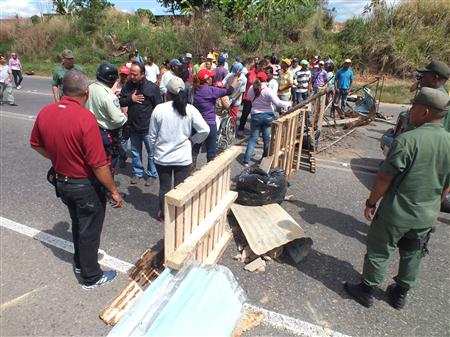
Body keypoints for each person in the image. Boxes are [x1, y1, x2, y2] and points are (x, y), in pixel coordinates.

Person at [344, 87, 450, 310]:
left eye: (414, 106)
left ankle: (366, 289)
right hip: (426, 214)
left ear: (425, 111)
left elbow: (384, 177)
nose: (410, 110)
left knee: (380, 249)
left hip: (396, 212)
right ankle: (400, 294)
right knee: (413, 252)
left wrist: (371, 202)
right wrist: (436, 202)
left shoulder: (408, 140)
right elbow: (447, 184)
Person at [30, 70, 123, 289]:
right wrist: (114, 191)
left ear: (63, 90)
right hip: (84, 185)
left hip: (62, 183)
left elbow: (35, 143)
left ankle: (81, 263)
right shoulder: (85, 118)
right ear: (86, 92)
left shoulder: (46, 112)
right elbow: (99, 165)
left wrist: (57, 156)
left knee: (78, 223)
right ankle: (91, 277)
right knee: (89, 229)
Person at [149, 77, 209, 220]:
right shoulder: (190, 109)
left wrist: (154, 150)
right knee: (180, 189)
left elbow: (151, 136)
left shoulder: (159, 109)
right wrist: (192, 141)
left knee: (164, 187)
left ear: (167, 93)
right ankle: (178, 217)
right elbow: (205, 130)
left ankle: (164, 214)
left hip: (162, 158)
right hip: (183, 158)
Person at [120, 63, 162, 185]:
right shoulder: (128, 86)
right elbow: (121, 101)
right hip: (133, 126)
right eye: (131, 74)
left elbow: (158, 107)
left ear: (143, 74)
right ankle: (137, 172)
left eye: (135, 74)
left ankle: (152, 174)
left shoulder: (152, 87)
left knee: (151, 153)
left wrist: (158, 126)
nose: (131, 76)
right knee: (135, 152)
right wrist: (130, 99)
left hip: (149, 127)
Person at [86, 64, 128, 174]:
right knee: (108, 163)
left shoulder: (90, 87)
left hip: (91, 129)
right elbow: (118, 119)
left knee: (94, 160)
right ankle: (107, 188)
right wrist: (125, 119)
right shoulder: (108, 96)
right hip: (106, 133)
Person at [192, 68, 239, 166]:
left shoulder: (195, 90)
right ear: (207, 80)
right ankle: (210, 176)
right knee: (211, 153)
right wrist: (236, 77)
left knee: (195, 150)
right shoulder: (211, 90)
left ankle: (190, 173)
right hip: (210, 124)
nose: (212, 78)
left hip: (197, 125)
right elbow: (230, 91)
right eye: (210, 77)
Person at [242, 72, 291, 166]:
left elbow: (249, 98)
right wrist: (289, 103)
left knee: (253, 138)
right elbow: (279, 103)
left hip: (255, 115)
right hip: (268, 116)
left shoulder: (251, 89)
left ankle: (246, 160)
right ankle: (264, 159)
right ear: (266, 79)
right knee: (266, 139)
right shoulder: (268, 90)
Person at [411, 60, 450, 132]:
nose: (420, 78)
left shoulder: (430, 98)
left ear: (435, 78)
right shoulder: (444, 96)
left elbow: (417, 129)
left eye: (424, 75)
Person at [238, 60, 266, 135]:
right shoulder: (250, 73)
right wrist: (242, 96)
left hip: (258, 98)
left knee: (257, 115)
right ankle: (240, 128)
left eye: (262, 68)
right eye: (259, 67)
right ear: (256, 67)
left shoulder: (262, 74)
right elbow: (244, 84)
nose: (261, 69)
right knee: (245, 114)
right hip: (248, 97)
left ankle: (256, 131)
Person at [111, 65, 131, 168]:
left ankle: (125, 156)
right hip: (118, 116)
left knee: (128, 138)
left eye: (125, 75)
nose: (123, 77)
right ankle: (122, 157)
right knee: (121, 138)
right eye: (122, 75)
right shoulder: (115, 85)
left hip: (130, 115)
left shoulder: (130, 86)